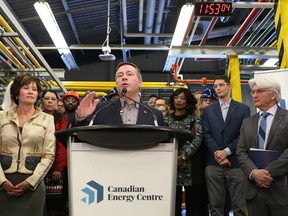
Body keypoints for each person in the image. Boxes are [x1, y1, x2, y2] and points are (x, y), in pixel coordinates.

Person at [0, 73, 55, 216]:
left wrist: (30, 182)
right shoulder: (2, 117)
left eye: (34, 89)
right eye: (26, 88)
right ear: (16, 93)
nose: (31, 91)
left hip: (33, 183)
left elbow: (49, 155)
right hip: (3, 182)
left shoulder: (47, 119)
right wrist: (2, 181)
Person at [236, 76, 288, 216]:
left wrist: (268, 172)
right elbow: (240, 151)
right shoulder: (247, 122)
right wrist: (254, 173)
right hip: (254, 191)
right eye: (253, 92)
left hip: (282, 189)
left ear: (273, 95)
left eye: (259, 91)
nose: (254, 95)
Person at [201, 75, 250, 216]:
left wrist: (226, 152)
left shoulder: (243, 109)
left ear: (230, 86)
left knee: (239, 205)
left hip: (236, 162)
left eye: (221, 85)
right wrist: (218, 152)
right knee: (216, 206)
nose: (218, 88)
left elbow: (243, 134)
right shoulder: (209, 110)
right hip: (213, 163)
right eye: (215, 86)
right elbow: (207, 134)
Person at [75, 62, 164, 126]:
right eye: (120, 75)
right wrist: (81, 117)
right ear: (116, 84)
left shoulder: (155, 114)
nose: (124, 77)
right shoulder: (100, 110)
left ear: (140, 82)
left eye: (129, 74)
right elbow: (82, 136)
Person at [165, 88, 203, 216]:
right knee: (172, 203)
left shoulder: (195, 119)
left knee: (194, 204)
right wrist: (174, 158)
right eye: (176, 97)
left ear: (188, 102)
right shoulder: (166, 121)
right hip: (170, 167)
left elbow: (197, 139)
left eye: (182, 98)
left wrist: (183, 157)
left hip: (191, 167)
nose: (178, 100)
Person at [41, 90, 68, 216]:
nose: (50, 101)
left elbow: (62, 144)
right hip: (36, 166)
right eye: (47, 98)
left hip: (55, 168)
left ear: (57, 102)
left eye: (53, 99)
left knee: (53, 205)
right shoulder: (36, 116)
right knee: (39, 202)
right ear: (41, 101)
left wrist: (59, 168)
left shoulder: (62, 119)